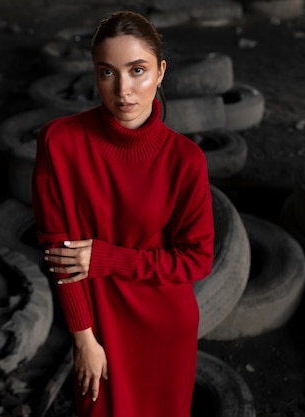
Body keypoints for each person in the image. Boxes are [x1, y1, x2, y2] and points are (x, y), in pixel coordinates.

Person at [32, 10, 214, 417]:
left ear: (161, 72)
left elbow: (197, 259)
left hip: (167, 325)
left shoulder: (186, 160)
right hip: (99, 325)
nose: (124, 90)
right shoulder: (60, 142)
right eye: (108, 73)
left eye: (137, 70)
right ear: (95, 75)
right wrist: (84, 340)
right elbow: (58, 249)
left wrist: (106, 257)